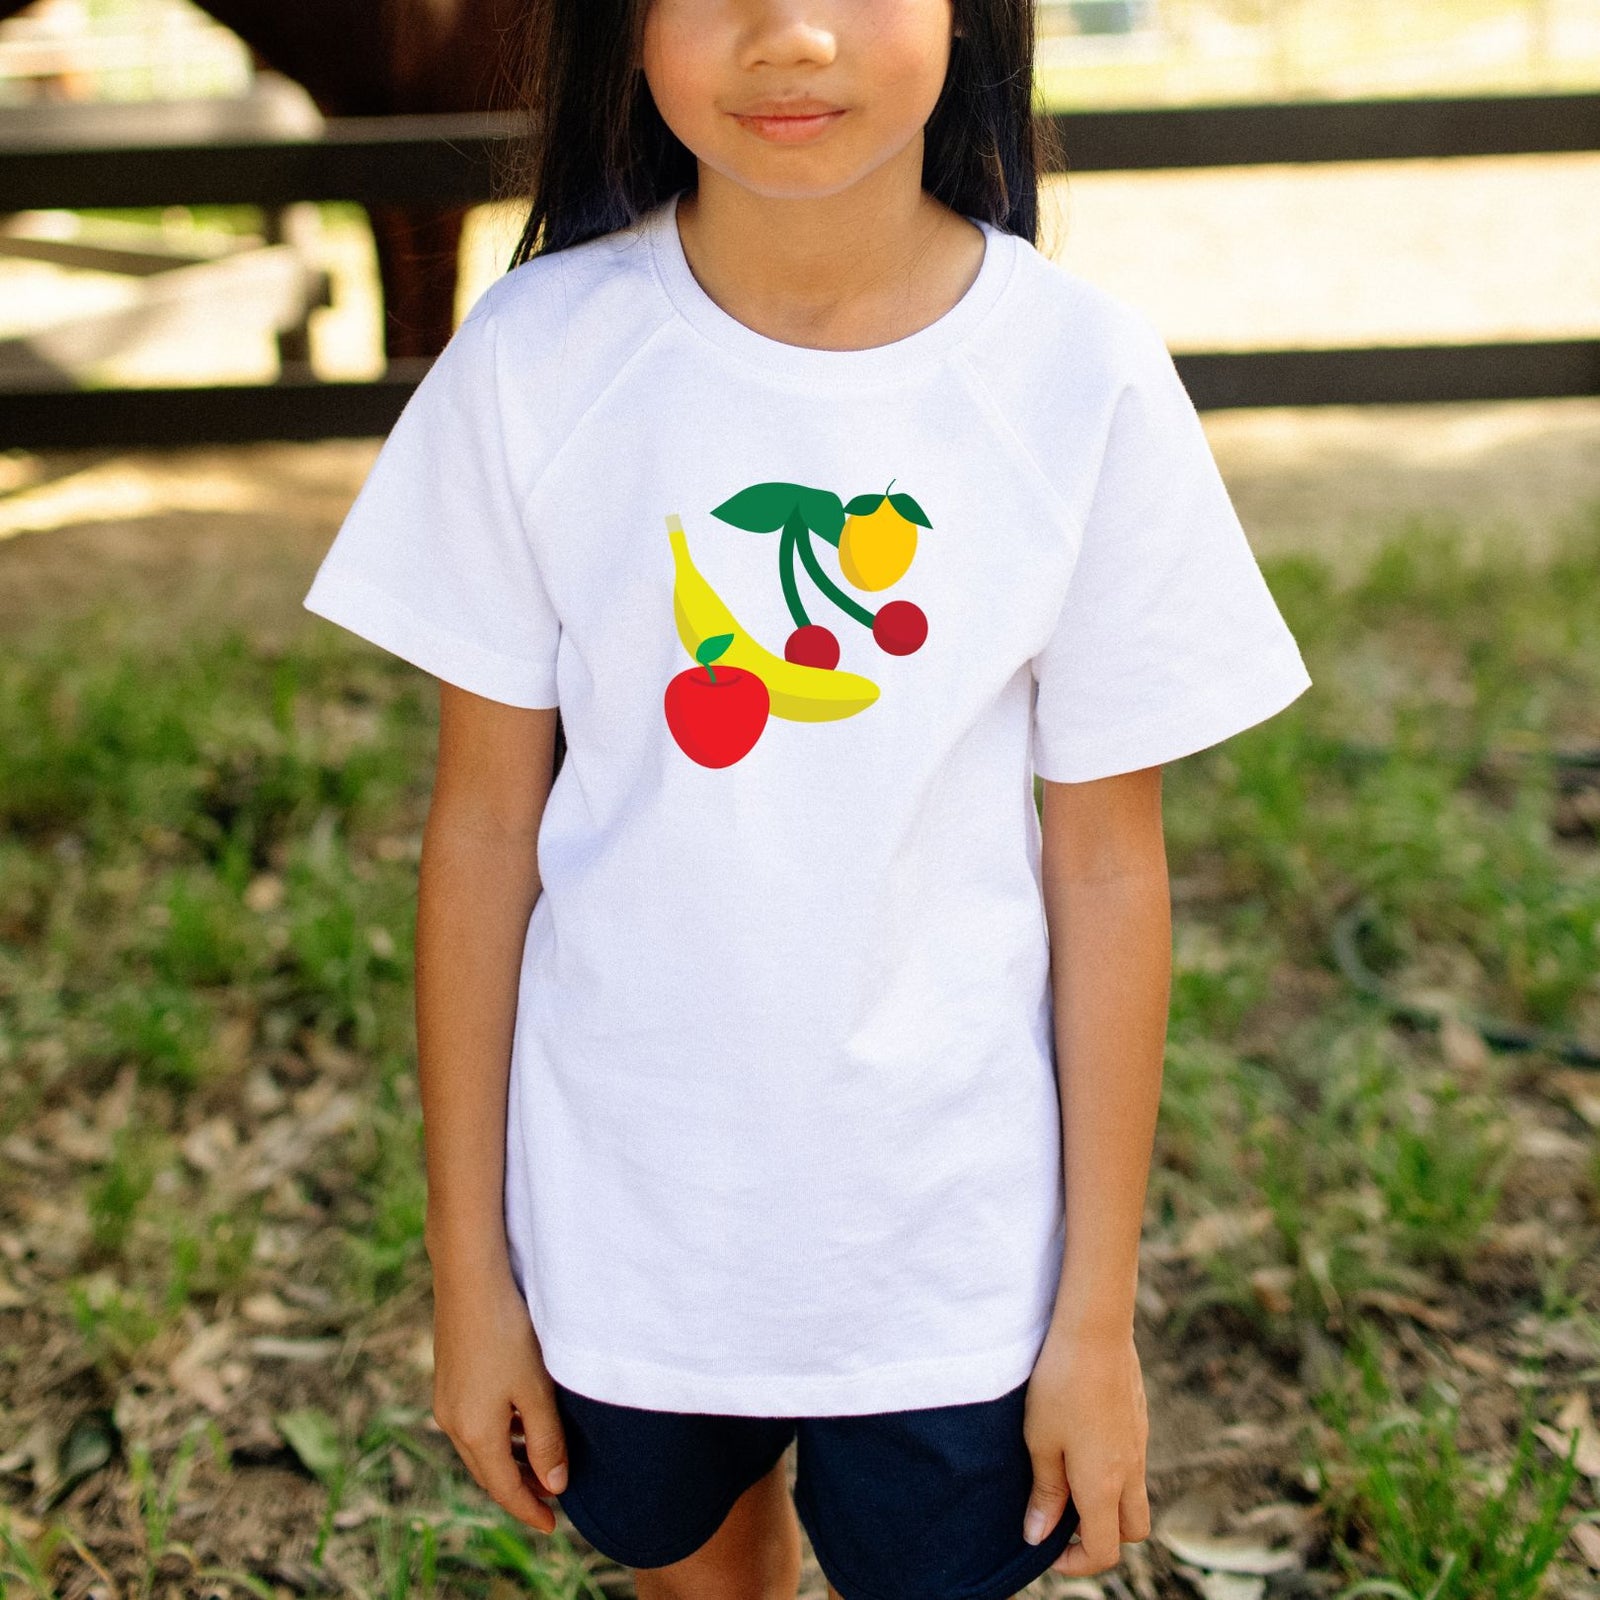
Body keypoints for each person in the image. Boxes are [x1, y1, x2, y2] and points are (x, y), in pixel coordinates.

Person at [300, 1, 1313, 1595]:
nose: (791, 34)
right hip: (621, 1217)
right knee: (687, 1548)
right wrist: (471, 1275)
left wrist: (1096, 1317)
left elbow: (1109, 872)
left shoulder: (1081, 377)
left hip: (955, 1243)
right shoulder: (533, 362)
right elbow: (486, 831)